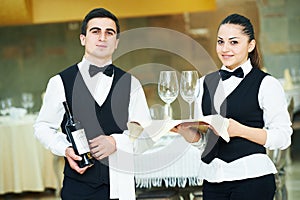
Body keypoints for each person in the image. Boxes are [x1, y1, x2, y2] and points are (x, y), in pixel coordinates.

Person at [34, 8, 151, 200]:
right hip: (78, 186)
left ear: (116, 42)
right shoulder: (60, 82)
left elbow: (146, 133)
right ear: (83, 39)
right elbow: (42, 127)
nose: (102, 37)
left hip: (120, 185)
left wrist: (116, 142)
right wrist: (65, 148)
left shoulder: (131, 84)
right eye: (95, 31)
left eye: (109, 33)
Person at [173, 13, 293, 200]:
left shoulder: (266, 84)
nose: (225, 49)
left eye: (234, 42)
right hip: (213, 180)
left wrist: (239, 130)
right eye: (221, 42)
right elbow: (205, 142)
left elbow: (283, 138)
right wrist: (187, 133)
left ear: (250, 45)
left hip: (253, 179)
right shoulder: (204, 83)